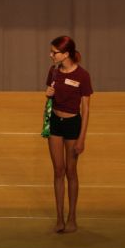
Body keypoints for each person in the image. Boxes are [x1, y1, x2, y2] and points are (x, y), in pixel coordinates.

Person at [45, 36, 92, 233]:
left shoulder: (82, 75)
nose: (51, 55)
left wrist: (81, 138)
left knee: (71, 172)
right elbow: (51, 95)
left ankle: (72, 217)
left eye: (54, 52)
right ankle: (59, 218)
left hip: (73, 125)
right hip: (55, 123)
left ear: (65, 54)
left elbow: (86, 110)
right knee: (58, 171)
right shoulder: (53, 71)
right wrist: (49, 94)